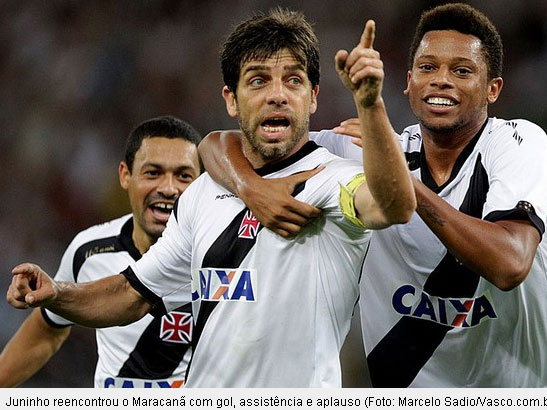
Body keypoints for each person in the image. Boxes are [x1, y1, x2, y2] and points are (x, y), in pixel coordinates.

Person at [6, 8, 415, 387]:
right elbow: (131, 293)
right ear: (230, 100)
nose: (277, 94)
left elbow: (393, 205)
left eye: (293, 80)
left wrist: (369, 103)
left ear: (313, 97)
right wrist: (58, 293)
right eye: (258, 80)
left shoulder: (332, 178)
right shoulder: (203, 191)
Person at [198, 3, 547, 387]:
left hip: (545, 390)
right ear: (408, 82)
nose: (441, 80)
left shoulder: (517, 144)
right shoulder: (360, 151)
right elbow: (220, 143)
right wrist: (250, 187)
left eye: (462, 70)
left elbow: (509, 264)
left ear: (493, 89)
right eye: (427, 67)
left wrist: (404, 183)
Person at [0, 115, 201, 388]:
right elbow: (48, 330)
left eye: (183, 176)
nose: (168, 188)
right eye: (153, 172)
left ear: (202, 185)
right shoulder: (90, 251)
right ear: (125, 176)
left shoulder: (223, 256)